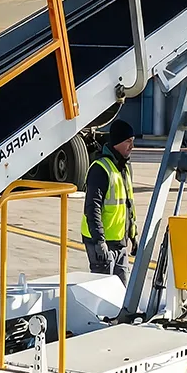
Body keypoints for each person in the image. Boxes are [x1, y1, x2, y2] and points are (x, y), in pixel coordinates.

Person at [81, 120, 137, 283]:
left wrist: (133, 234)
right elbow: (92, 208)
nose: (132, 146)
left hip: (119, 241)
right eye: (128, 141)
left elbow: (128, 205)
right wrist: (99, 241)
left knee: (122, 287)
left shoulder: (124, 168)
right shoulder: (100, 169)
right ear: (117, 142)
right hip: (101, 241)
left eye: (133, 141)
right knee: (103, 288)